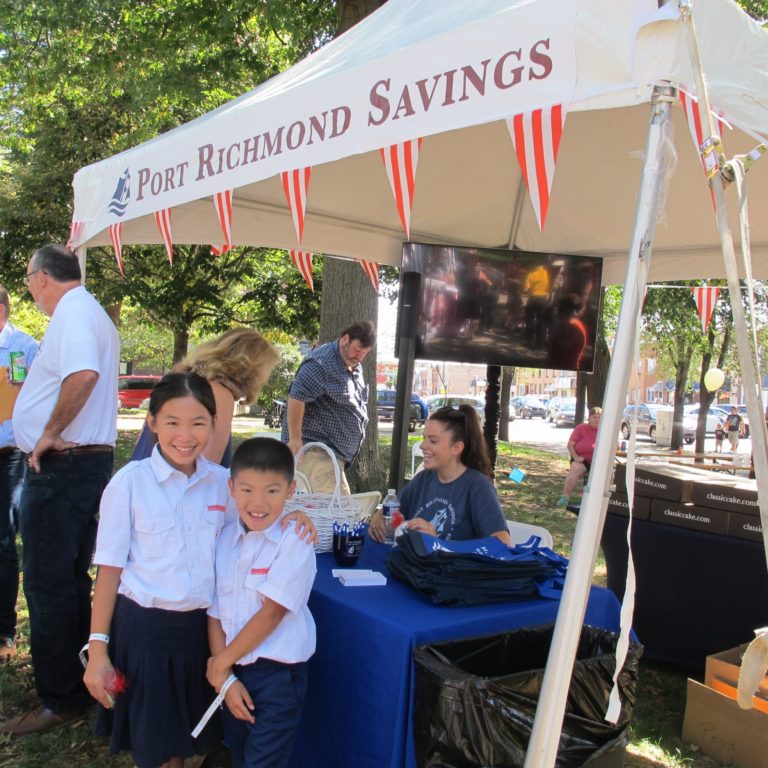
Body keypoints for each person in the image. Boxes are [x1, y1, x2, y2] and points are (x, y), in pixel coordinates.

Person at [83, 373, 315, 768]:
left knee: (193, 740)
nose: (185, 435)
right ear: (152, 421)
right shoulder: (129, 485)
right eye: (172, 422)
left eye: (198, 423)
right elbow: (108, 574)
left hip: (205, 636)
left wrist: (293, 515)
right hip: (149, 636)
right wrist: (98, 649)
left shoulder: (223, 484)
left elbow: (255, 519)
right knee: (158, 750)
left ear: (214, 423)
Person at [1, 244, 119, 737]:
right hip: (81, 465)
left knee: (48, 582)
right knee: (68, 580)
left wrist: (47, 432)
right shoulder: (89, 312)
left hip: (65, 466)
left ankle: (60, 697)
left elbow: (84, 375)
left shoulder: (73, 312)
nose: (30, 290)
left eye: (30, 280)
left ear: (42, 277)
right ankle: (75, 682)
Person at [207, 438, 316, 768]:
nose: (258, 502)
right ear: (231, 488)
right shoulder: (225, 539)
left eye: (272, 490)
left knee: (263, 761)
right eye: (247, 489)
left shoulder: (295, 540)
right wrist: (224, 675)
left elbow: (271, 614)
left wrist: (220, 664)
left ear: (290, 489)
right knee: (239, 753)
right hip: (233, 669)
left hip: (276, 677)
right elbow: (214, 613)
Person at [131, 327, 279, 466]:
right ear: (249, 368)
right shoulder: (219, 394)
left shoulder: (176, 378)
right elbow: (207, 468)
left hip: (144, 481)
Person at [369, 405, 510, 543]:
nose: (423, 445)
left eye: (433, 440)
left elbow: (502, 543)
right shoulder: (423, 479)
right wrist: (379, 525)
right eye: (424, 438)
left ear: (457, 448)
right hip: (415, 565)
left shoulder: (478, 486)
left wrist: (437, 543)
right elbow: (385, 513)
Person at [282, 321, 375, 495]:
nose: (359, 357)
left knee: (335, 513)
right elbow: (296, 398)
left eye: (364, 353)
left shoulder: (354, 364)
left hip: (332, 457)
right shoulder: (320, 364)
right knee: (340, 514)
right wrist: (294, 438)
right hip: (316, 452)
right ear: (344, 339)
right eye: (357, 350)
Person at [0, 285, 39, 662]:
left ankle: (4, 631)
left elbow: (46, 396)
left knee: (2, 541)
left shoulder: (25, 348)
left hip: (8, 456)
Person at [557, 407, 601, 507]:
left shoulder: (605, 430)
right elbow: (570, 445)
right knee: (575, 468)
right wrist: (576, 457)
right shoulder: (581, 428)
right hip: (581, 459)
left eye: (599, 417)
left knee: (611, 473)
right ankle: (565, 496)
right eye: (594, 417)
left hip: (599, 461)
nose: (597, 419)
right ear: (589, 418)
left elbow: (616, 446)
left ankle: (599, 501)